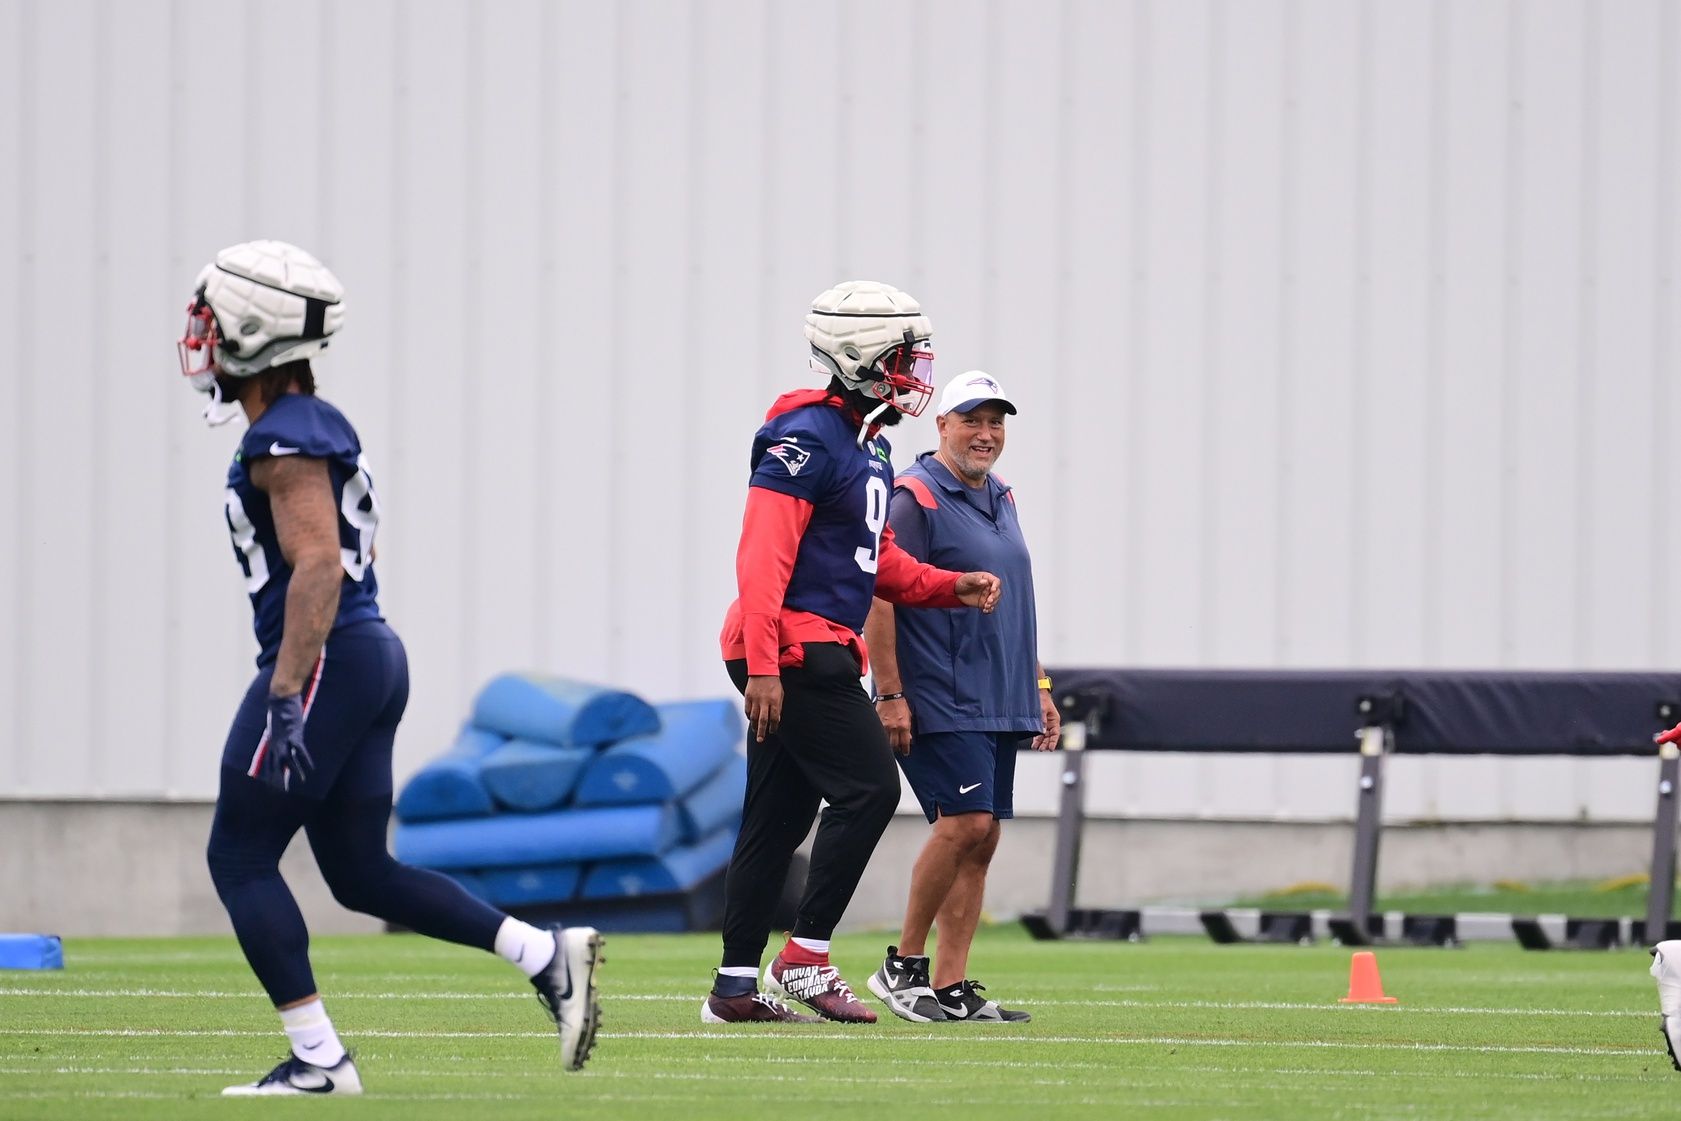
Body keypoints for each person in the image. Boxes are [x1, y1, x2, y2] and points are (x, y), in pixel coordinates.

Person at [179, 240, 603, 1094]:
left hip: (330, 659)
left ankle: (318, 1059)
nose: (203, 337)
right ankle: (544, 954)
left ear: (252, 331)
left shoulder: (287, 431)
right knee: (360, 871)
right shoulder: (306, 423)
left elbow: (320, 563)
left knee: (240, 857)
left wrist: (290, 688)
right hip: (367, 653)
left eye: (215, 321)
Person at [704, 281, 1004, 1024]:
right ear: (863, 354)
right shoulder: (807, 436)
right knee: (869, 789)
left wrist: (949, 585)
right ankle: (805, 956)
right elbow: (762, 555)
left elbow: (879, 562)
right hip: (793, 648)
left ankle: (734, 989)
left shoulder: (867, 443)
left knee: (773, 819)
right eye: (906, 355)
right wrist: (767, 665)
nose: (917, 370)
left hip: (809, 646)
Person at [862, 370, 1060, 1023]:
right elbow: (880, 594)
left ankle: (950, 983)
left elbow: (1013, 598)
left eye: (995, 422)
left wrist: (1038, 685)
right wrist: (889, 692)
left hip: (1000, 692)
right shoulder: (913, 497)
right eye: (971, 420)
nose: (985, 434)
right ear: (940, 425)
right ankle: (903, 966)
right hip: (937, 693)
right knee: (964, 823)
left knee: (983, 835)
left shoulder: (1001, 493)